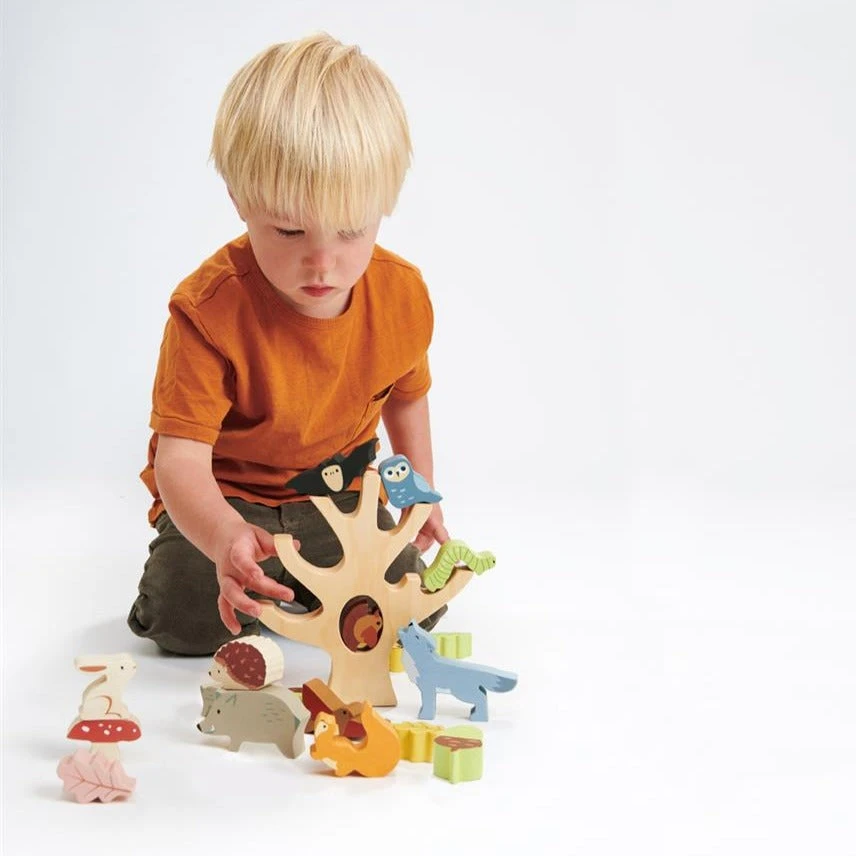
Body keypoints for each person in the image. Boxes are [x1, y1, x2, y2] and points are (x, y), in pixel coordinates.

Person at [127, 33, 448, 655]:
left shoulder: (402, 295)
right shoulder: (206, 311)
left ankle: (303, 588)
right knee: (182, 618)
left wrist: (417, 494)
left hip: (338, 500)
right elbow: (180, 463)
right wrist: (223, 536)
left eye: (350, 230)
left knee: (415, 603)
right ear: (240, 202)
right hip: (228, 501)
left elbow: (407, 397)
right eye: (289, 230)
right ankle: (268, 583)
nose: (322, 262)